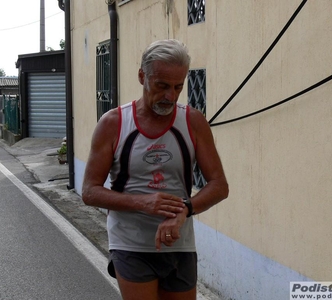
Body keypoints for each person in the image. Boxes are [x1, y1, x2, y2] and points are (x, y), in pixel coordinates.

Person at [82, 39, 228, 300]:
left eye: (178, 87)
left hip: (179, 242)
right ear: (142, 77)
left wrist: (186, 209)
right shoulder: (113, 123)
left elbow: (219, 186)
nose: (170, 96)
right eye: (161, 86)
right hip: (130, 243)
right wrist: (143, 203)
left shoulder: (193, 122)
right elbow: (90, 192)